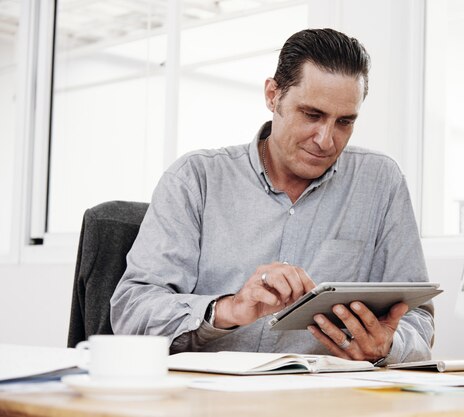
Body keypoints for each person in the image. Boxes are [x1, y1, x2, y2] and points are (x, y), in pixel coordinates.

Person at [110, 28, 434, 365]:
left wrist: (388, 346)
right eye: (312, 115)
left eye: (345, 122)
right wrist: (228, 308)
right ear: (272, 95)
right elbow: (131, 311)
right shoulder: (196, 178)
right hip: (209, 398)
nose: (326, 140)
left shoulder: (380, 183)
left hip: (325, 398)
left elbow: (418, 320)